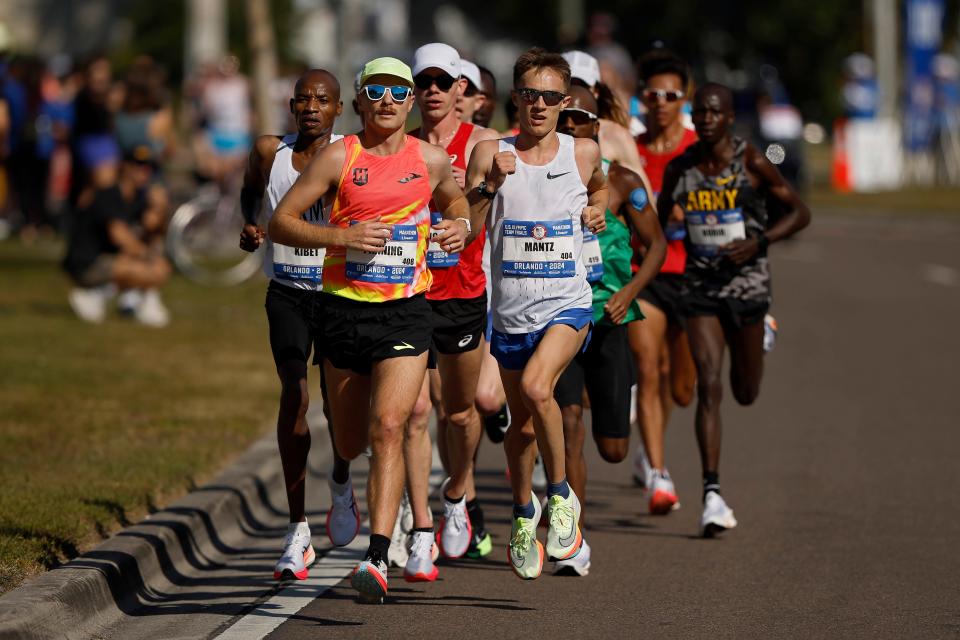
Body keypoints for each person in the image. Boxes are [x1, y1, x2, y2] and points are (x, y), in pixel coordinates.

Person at [268, 57, 472, 602]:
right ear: (360, 100)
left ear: (410, 102)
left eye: (398, 91)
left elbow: (453, 196)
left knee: (389, 426)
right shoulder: (340, 156)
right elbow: (281, 222)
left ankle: (378, 556)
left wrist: (460, 223)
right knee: (352, 439)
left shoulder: (428, 158)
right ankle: (346, 489)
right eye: (376, 90)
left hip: (406, 310)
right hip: (341, 309)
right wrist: (342, 237)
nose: (388, 99)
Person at [466, 47, 606, 580]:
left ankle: (561, 497)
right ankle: (524, 513)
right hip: (510, 312)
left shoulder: (584, 151)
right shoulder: (489, 151)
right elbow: (474, 228)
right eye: (530, 95)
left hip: (568, 303)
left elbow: (600, 188)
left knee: (538, 389)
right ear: (516, 99)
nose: (540, 106)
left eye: (550, 97)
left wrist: (599, 210)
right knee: (520, 429)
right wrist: (490, 186)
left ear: (564, 101)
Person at [658, 83, 810, 537]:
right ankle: (712, 493)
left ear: (727, 118)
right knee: (709, 383)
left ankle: (764, 327)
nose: (704, 119)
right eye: (698, 113)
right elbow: (660, 223)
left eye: (712, 112)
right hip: (701, 288)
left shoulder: (750, 161)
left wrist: (758, 242)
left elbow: (800, 213)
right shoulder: (681, 168)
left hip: (748, 288)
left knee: (745, 391)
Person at [237, 69, 363, 581]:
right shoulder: (270, 150)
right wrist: (250, 226)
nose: (312, 106)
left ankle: (339, 479)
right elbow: (251, 193)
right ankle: (297, 530)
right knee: (294, 392)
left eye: (323, 100)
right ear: (291, 106)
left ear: (338, 110)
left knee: (338, 407)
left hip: (338, 294)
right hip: (287, 291)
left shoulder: (351, 155)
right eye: (303, 99)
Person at [551, 86, 666, 576]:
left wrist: (630, 292)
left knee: (614, 450)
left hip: (610, 317)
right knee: (569, 426)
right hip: (559, 319)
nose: (571, 125)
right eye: (565, 117)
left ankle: (618, 402)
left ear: (598, 127)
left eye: (581, 118)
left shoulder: (622, 182)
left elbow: (656, 245)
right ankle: (571, 536)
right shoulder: (543, 178)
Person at [405, 43, 501, 580]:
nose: (435, 91)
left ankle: (458, 493)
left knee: (460, 414)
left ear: (462, 88)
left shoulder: (485, 143)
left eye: (445, 82)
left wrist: (486, 186)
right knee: (418, 412)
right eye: (426, 82)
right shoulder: (401, 144)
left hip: (465, 290)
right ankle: (422, 529)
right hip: (410, 293)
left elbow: (493, 211)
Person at [630, 49, 700, 513]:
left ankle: (650, 453)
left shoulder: (701, 145)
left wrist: (690, 212)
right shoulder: (630, 148)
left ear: (684, 98)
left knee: (682, 385)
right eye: (652, 94)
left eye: (670, 94)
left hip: (694, 276)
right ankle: (658, 473)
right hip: (645, 275)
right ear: (642, 99)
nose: (661, 102)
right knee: (648, 369)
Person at [62, 144, 171, 326]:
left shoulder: (139, 197)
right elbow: (119, 236)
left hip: (110, 257)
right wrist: (149, 259)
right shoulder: (110, 194)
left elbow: (151, 233)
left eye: (148, 167)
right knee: (156, 271)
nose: (144, 172)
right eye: (138, 165)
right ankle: (100, 294)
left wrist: (159, 211)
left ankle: (125, 297)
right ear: (125, 167)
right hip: (87, 263)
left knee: (155, 261)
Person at [561, 50, 648, 180]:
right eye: (569, 86)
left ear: (596, 91)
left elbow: (642, 194)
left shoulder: (617, 136)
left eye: (582, 86)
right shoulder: (538, 131)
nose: (575, 93)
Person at [454, 59, 485, 123]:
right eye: (454, 89)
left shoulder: (488, 133)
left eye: (467, 92)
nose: (458, 97)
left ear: (478, 101)